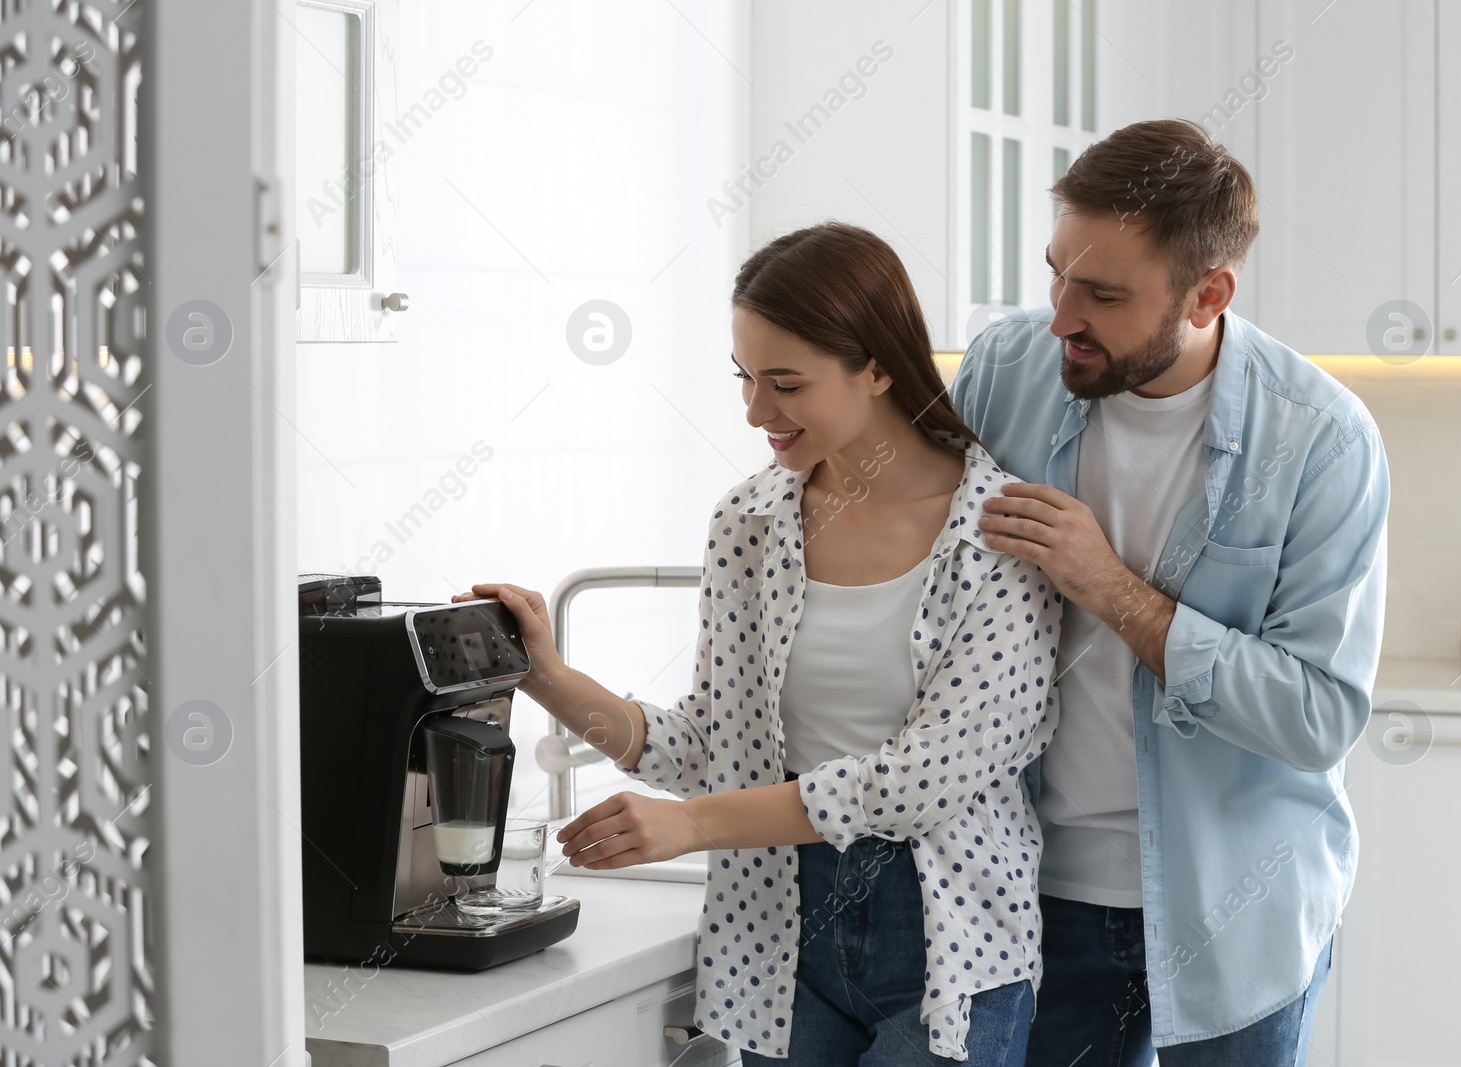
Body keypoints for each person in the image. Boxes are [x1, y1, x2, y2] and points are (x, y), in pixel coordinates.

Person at [461, 222, 1065, 1065]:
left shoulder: (1000, 532)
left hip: (948, 936)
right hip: (778, 923)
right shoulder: (749, 523)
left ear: (879, 367)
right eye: (745, 377)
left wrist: (692, 825)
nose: (754, 412)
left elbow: (921, 780)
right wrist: (550, 677)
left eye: (785, 383)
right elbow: (713, 742)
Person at [950, 117, 1389, 1067]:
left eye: (1103, 293)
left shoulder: (1322, 440)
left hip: (1237, 908)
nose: (1063, 314)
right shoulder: (1005, 370)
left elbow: (1318, 714)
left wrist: (1108, 586)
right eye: (1056, 272)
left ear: (1210, 293)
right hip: (1032, 897)